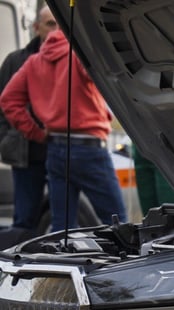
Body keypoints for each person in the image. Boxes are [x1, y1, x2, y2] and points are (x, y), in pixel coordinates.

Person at [1, 28, 127, 232]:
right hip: (89, 148)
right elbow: (102, 76)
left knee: (62, 228)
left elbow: (8, 99)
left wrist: (35, 133)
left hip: (55, 149)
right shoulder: (78, 54)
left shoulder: (34, 62)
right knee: (119, 222)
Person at [0, 6, 58, 237]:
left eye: (59, 24)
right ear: (36, 28)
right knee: (24, 221)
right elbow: (3, 103)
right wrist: (6, 139)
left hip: (60, 152)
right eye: (50, 24)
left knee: (64, 220)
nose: (56, 30)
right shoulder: (16, 60)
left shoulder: (69, 59)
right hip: (26, 154)